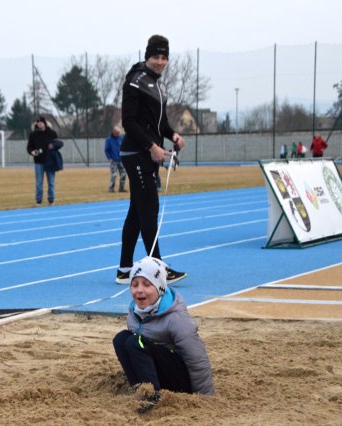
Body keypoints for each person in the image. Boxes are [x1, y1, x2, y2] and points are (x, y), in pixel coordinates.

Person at [116, 35, 187, 285]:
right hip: (136, 153)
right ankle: (158, 268)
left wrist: (173, 135)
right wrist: (151, 146)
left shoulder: (160, 86)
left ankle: (124, 269)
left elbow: (161, 124)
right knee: (149, 209)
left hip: (147, 153)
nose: (160, 61)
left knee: (137, 212)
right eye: (155, 56)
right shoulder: (135, 81)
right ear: (147, 56)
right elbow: (129, 121)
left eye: (164, 57)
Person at [113, 256, 214, 413]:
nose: (139, 290)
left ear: (159, 287)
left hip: (180, 379)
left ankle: (152, 396)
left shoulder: (176, 318)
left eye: (147, 284)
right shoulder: (134, 312)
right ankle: (140, 389)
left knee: (135, 342)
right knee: (121, 339)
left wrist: (206, 398)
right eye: (134, 284)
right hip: (159, 374)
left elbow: (197, 359)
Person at [26, 116, 60, 206]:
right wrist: (32, 152)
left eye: (41, 122)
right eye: (38, 123)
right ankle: (38, 201)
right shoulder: (33, 135)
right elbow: (29, 147)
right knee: (39, 183)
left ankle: (51, 200)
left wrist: (53, 146)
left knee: (51, 182)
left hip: (50, 161)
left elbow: (58, 144)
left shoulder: (52, 133)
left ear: (44, 123)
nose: (40, 124)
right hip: (38, 162)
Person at [104, 126, 127, 193]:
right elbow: (106, 150)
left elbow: (124, 148)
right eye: (117, 132)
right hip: (113, 160)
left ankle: (121, 188)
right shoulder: (109, 140)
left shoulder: (121, 139)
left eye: (119, 132)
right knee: (114, 175)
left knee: (123, 174)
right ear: (114, 132)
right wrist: (109, 158)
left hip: (121, 160)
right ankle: (111, 188)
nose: (118, 134)